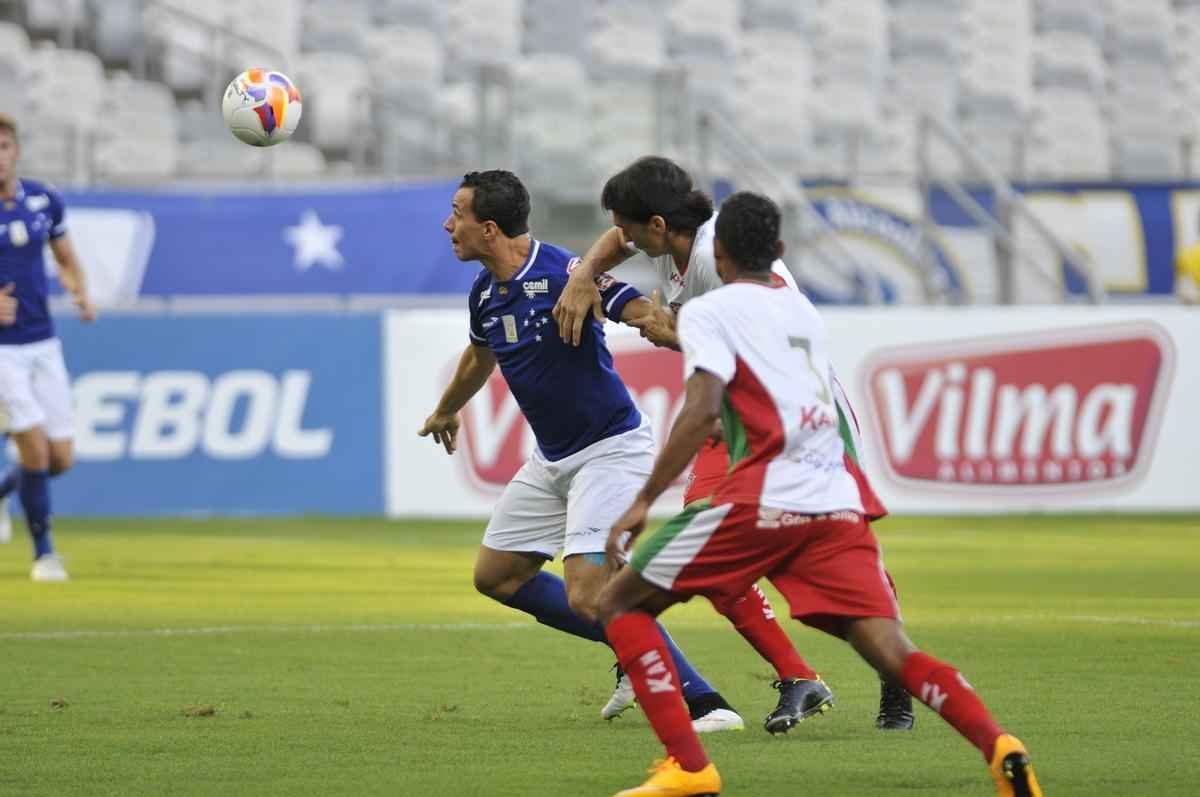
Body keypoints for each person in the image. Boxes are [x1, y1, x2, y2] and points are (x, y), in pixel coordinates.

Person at [596, 191, 1044, 797]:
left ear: (718, 254)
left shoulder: (711, 309)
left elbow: (701, 410)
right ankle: (999, 746)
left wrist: (643, 499)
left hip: (762, 492)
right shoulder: (803, 310)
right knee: (893, 648)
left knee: (619, 603)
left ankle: (690, 768)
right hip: (831, 499)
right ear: (779, 252)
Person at [553, 156, 913, 732]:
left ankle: (897, 679)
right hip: (736, 420)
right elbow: (625, 252)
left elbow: (722, 344)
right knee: (707, 545)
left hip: (801, 420)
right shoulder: (683, 248)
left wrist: (653, 322)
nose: (620, 237)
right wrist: (584, 274)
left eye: (628, 226)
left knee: (847, 556)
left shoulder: (720, 257)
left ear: (657, 223)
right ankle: (798, 676)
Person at [417, 170, 742, 732]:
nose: (448, 225)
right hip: (554, 459)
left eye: (458, 214)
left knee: (590, 595)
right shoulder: (485, 294)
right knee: (497, 576)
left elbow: (633, 305)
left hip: (611, 450)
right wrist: (448, 408)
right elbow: (479, 356)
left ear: (489, 228)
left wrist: (659, 321)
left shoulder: (565, 272)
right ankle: (630, 650)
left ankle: (706, 702)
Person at [0, 114, 96, 582]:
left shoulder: (43, 199)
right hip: (2, 352)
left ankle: (3, 492)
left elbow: (65, 257)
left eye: (3, 146)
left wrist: (79, 289)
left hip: (43, 342)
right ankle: (44, 555)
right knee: (34, 451)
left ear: (16, 150)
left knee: (61, 458)